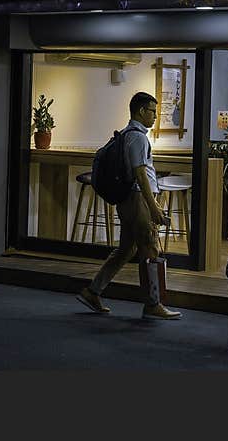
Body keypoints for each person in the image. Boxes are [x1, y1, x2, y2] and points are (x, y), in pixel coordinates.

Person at [76, 92, 182, 320]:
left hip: (131, 199)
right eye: (153, 111)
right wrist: (153, 206)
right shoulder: (138, 137)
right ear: (141, 111)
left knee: (127, 249)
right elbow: (140, 174)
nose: (155, 116)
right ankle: (153, 303)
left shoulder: (126, 134)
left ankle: (93, 291)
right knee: (150, 248)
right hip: (137, 200)